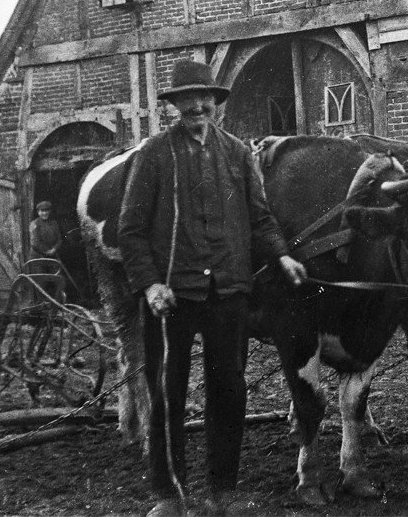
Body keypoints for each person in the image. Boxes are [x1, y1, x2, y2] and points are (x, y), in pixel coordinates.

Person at [118, 60, 306, 517]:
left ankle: (224, 493)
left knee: (230, 390)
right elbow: (131, 229)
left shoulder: (238, 153)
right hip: (170, 298)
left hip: (228, 290)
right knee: (167, 393)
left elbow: (260, 218)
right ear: (175, 106)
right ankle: (169, 495)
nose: (197, 106)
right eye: (187, 99)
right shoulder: (154, 154)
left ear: (216, 104)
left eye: (205, 99)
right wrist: (148, 285)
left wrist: (281, 254)